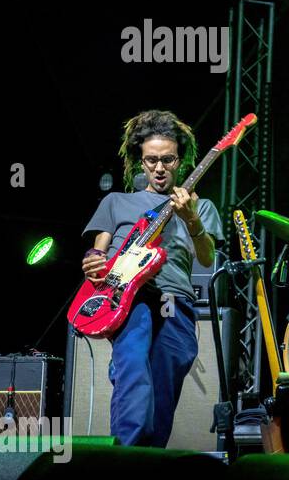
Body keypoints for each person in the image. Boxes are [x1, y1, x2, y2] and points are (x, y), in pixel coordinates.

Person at [80, 110, 224, 447]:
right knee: (132, 371)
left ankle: (145, 469)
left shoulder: (199, 208)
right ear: (139, 161)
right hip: (129, 299)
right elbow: (96, 252)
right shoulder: (116, 201)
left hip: (175, 303)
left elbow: (206, 256)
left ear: (181, 160)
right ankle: (126, 462)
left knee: (161, 396)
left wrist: (191, 221)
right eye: (151, 160)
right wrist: (92, 262)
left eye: (168, 160)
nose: (159, 168)